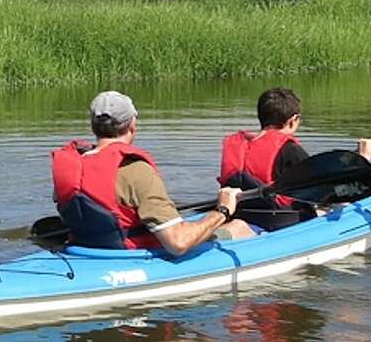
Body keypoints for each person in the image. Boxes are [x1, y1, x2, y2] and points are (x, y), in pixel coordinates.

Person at [52, 91, 256, 257]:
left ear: (93, 127)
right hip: (129, 255)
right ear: (132, 125)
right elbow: (178, 243)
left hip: (85, 250)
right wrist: (223, 210)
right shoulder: (135, 169)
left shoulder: (72, 167)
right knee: (239, 227)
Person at [218, 88, 371, 230]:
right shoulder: (289, 150)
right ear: (293, 120)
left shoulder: (239, 146)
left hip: (241, 213)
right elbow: (330, 189)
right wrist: (364, 160)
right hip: (280, 222)